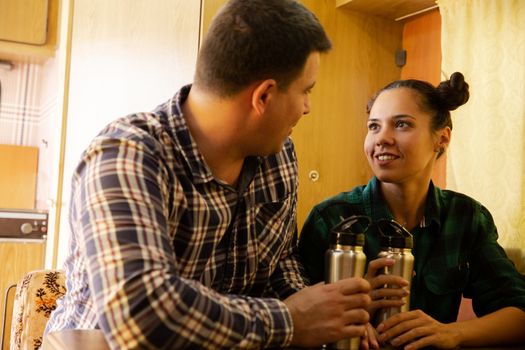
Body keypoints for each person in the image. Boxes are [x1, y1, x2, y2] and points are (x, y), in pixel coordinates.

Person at [45, 0, 372, 348]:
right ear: (263, 96)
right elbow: (140, 316)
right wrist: (292, 320)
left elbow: (279, 260)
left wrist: (331, 313)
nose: (307, 107)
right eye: (306, 91)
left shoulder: (278, 155)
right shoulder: (125, 155)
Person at [298, 72, 525, 349]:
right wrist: (351, 315)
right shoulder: (331, 219)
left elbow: (518, 313)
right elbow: (295, 316)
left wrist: (452, 333)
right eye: (373, 127)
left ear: (441, 138)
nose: (382, 138)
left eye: (402, 124)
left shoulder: (466, 217)